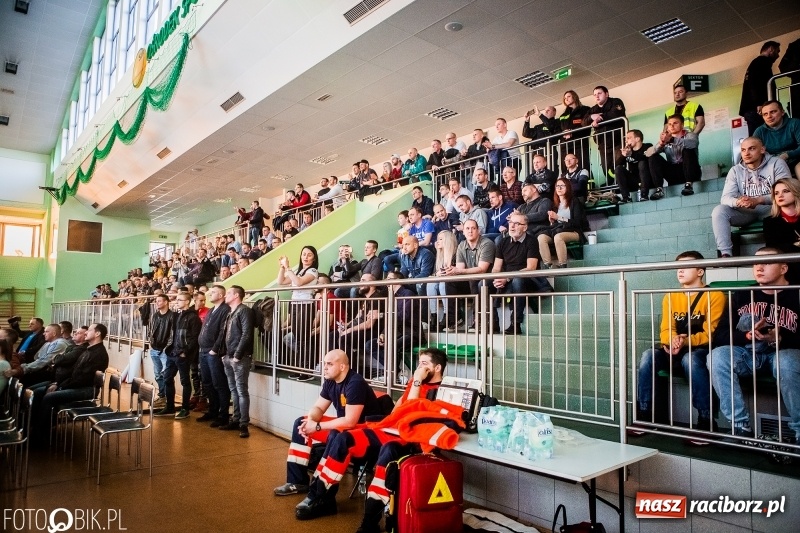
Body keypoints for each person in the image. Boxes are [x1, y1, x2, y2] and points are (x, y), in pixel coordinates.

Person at [295, 348, 449, 528]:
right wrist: (390, 421)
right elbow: (397, 410)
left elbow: (413, 410)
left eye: (425, 364)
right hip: (390, 430)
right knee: (342, 438)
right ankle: (320, 497)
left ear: (437, 368)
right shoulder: (413, 384)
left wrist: (416, 381)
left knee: (387, 451)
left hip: (411, 438)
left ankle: (369, 521)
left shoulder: (442, 389)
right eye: (419, 364)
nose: (420, 369)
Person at [708, 247, 800, 441]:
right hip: (749, 355)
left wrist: (780, 337)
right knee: (716, 357)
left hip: (783, 353)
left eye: (766, 263)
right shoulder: (742, 294)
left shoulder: (796, 293)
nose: (759, 267)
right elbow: (720, 335)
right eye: (756, 262)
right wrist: (748, 336)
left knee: (786, 362)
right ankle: (740, 427)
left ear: (784, 268)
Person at [635, 252, 725, 433]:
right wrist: (673, 341)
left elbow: (711, 333)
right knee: (648, 356)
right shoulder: (671, 296)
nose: (680, 270)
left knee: (690, 360)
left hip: (700, 348)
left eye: (686, 266)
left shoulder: (715, 295)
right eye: (678, 267)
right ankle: (644, 414)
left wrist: (684, 342)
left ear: (700, 271)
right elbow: (666, 328)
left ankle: (706, 420)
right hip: (675, 347)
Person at [274, 349, 381, 497]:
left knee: (335, 433)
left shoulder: (355, 383)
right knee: (301, 422)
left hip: (362, 431)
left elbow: (350, 421)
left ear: (342, 366)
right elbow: (319, 407)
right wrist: (311, 421)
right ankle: (297, 481)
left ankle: (320, 487)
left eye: (329, 364)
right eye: (324, 363)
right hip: (345, 428)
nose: (324, 367)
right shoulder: (331, 381)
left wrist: (317, 427)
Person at [711, 137, 791, 257]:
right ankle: (726, 255)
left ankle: (779, 255)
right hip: (748, 211)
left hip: (772, 209)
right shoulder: (735, 170)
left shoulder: (776, 163)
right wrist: (738, 201)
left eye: (751, 149)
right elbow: (725, 198)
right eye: (743, 150)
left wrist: (759, 200)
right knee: (719, 211)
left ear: (762, 149)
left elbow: (787, 191)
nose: (746, 153)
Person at [35, 323, 110, 445]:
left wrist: (61, 386)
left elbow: (83, 379)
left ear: (97, 334)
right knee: (39, 392)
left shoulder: (98, 354)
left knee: (49, 397)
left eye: (89, 330)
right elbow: (74, 373)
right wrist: (58, 383)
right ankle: (37, 427)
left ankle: (40, 435)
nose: (86, 332)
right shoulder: (89, 350)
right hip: (77, 385)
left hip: (86, 389)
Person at [492, 211, 545, 335]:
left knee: (518, 280)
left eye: (516, 223)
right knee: (482, 284)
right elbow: (496, 268)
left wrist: (507, 278)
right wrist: (496, 279)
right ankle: (493, 322)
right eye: (511, 222)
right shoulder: (502, 242)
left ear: (525, 227)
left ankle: (516, 323)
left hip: (527, 279)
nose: (512, 226)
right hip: (507, 278)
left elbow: (531, 268)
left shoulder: (531, 241)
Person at [155, 292, 201, 420]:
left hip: (183, 355)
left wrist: (184, 352)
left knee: (185, 381)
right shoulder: (178, 316)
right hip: (173, 353)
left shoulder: (193, 317)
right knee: (167, 378)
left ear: (187, 302)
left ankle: (185, 409)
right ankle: (170, 407)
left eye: (180, 300)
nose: (177, 301)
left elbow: (194, 338)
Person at [278, 246, 319, 379]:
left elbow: (299, 282)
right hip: (295, 304)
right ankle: (300, 367)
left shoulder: (313, 270)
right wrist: (282, 267)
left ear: (314, 258)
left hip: (306, 305)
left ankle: (307, 370)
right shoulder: (299, 270)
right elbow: (281, 282)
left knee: (304, 339)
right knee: (297, 337)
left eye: (309, 255)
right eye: (303, 254)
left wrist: (288, 268)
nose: (305, 257)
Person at [221, 285, 255, 438]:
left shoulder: (244, 310)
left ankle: (243, 423)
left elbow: (247, 333)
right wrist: (225, 354)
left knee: (241, 390)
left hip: (239, 357)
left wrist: (237, 355)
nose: (225, 295)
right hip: (229, 356)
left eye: (228, 293)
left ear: (236, 296)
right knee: (233, 390)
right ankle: (236, 419)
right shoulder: (231, 313)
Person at [196, 285, 231, 427]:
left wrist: (215, 349)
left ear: (222, 295)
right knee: (207, 383)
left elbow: (223, 332)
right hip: (203, 351)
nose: (210, 294)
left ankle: (223, 415)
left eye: (214, 292)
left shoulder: (225, 310)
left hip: (213, 352)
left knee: (219, 384)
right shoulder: (211, 310)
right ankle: (212, 410)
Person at [646, 114, 701, 196]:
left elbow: (693, 144)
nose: (672, 126)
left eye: (675, 123)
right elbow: (648, 153)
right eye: (670, 124)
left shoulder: (690, 135)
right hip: (674, 173)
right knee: (653, 157)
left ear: (682, 125)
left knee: (687, 149)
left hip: (690, 171)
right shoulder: (665, 139)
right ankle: (659, 189)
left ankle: (689, 185)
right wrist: (661, 144)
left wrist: (672, 140)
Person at [537, 178, 587, 269]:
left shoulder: (574, 201)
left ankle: (562, 264)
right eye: (557, 186)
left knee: (558, 237)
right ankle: (547, 265)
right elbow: (555, 225)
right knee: (541, 237)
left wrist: (559, 217)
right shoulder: (555, 204)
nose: (559, 188)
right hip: (559, 230)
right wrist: (552, 222)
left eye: (562, 186)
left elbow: (577, 222)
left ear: (567, 187)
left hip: (574, 231)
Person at [584, 86, 626, 183]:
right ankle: (612, 191)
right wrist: (591, 117)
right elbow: (584, 122)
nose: (597, 96)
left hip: (618, 141)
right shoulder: (593, 109)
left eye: (599, 93)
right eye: (595, 95)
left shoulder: (616, 101)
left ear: (606, 94)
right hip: (603, 144)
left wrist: (598, 118)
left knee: (618, 166)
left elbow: (615, 114)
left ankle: (621, 189)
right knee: (606, 169)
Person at [739, 41, 781, 135]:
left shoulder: (755, 63)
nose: (778, 55)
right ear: (771, 49)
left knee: (757, 137)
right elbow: (754, 83)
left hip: (751, 108)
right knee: (760, 137)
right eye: (777, 51)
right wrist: (759, 103)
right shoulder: (762, 62)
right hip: (757, 108)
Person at [753, 100, 800, 177]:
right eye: (765, 114)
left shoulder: (795, 123)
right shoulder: (759, 131)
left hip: (796, 160)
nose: (769, 116)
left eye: (773, 112)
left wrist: (787, 155)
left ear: (782, 112)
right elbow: (755, 153)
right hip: (772, 164)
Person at [426, 230, 458, 331]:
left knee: (443, 284)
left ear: (448, 241)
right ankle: (434, 316)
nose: (437, 242)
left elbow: (456, 270)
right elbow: (438, 272)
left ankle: (447, 315)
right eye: (437, 239)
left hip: (457, 283)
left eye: (440, 239)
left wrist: (441, 274)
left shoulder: (456, 253)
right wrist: (437, 274)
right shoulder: (440, 255)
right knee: (430, 283)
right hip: (446, 281)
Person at [615, 129, 656, 203]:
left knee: (642, 163)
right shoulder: (629, 150)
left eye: (629, 138)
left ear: (637, 139)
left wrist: (632, 154)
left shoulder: (648, 146)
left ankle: (644, 195)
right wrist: (623, 156)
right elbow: (617, 166)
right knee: (618, 169)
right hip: (634, 181)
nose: (626, 141)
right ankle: (626, 197)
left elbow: (646, 159)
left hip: (648, 179)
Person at [558, 90, 592, 172]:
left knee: (582, 164)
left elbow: (586, 125)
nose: (566, 99)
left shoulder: (585, 110)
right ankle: (567, 183)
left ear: (574, 96)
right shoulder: (563, 115)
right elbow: (559, 129)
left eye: (568, 96)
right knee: (565, 167)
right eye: (565, 98)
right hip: (565, 144)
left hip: (579, 142)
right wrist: (563, 134)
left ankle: (587, 183)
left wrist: (572, 132)